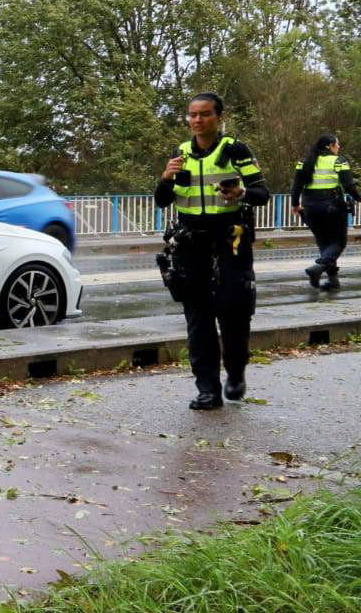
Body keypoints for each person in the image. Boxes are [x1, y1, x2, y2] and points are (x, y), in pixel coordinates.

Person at [155, 92, 269, 411]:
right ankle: (207, 389)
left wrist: (241, 192)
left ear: (218, 117)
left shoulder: (235, 149)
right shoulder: (181, 153)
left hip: (230, 238)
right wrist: (165, 178)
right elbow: (162, 199)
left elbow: (263, 193)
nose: (197, 120)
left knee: (233, 310)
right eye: (192, 115)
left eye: (204, 114)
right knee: (198, 316)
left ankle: (235, 373)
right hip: (192, 243)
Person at [290, 134, 361, 289]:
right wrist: (359, 198)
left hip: (309, 207)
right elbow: (349, 186)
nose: (339, 147)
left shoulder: (304, 162)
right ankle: (318, 268)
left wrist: (295, 204)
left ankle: (333, 281)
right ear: (330, 146)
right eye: (337, 144)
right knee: (338, 242)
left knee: (324, 243)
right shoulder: (339, 161)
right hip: (332, 207)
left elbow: (296, 186)